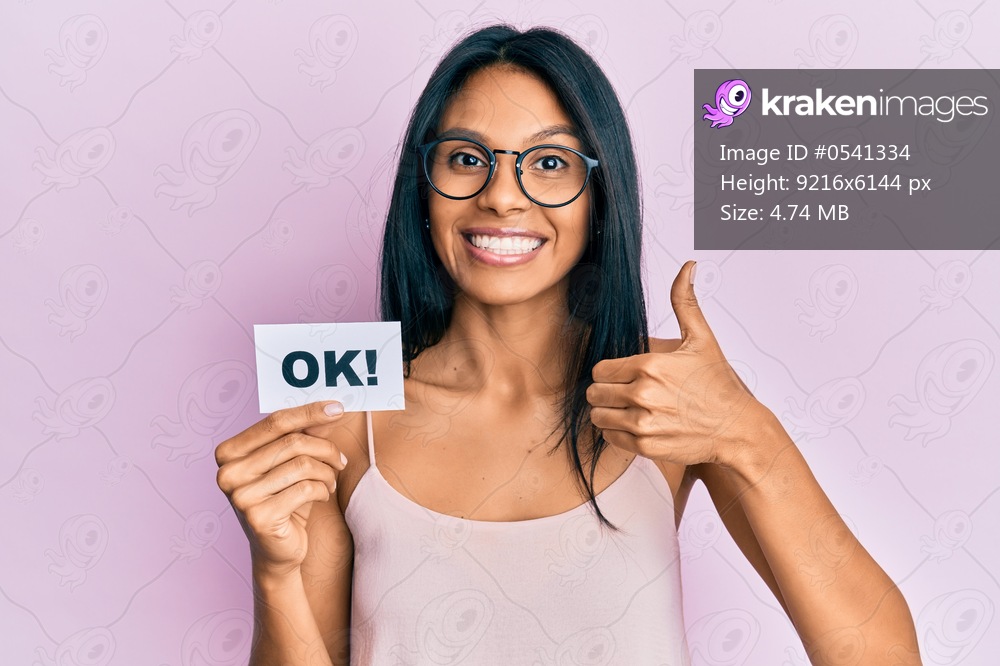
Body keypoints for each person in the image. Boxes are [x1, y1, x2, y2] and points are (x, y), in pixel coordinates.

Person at [214, 24, 921, 666]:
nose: (502, 197)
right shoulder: (341, 414)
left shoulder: (666, 394)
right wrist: (274, 573)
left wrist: (751, 436)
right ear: (422, 192)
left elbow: (882, 656)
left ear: (598, 197)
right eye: (466, 158)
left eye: (549, 163)